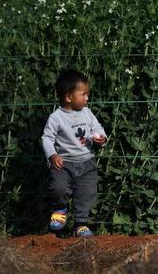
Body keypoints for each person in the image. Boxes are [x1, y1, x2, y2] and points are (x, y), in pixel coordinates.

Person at [41, 69, 107, 238]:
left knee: (87, 193)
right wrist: (52, 155)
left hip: (87, 162)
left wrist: (101, 138)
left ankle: (80, 224)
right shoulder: (56, 117)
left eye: (87, 94)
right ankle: (60, 209)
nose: (87, 98)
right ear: (69, 97)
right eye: (83, 94)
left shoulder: (87, 112)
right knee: (58, 187)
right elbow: (47, 138)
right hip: (63, 164)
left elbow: (97, 128)